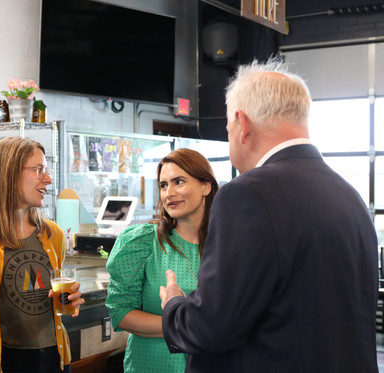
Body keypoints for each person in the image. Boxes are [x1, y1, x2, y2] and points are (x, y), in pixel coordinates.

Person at [160, 59, 379, 372]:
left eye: (227, 128)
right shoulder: (348, 195)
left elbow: (211, 326)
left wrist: (173, 306)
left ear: (242, 123)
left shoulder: (247, 193)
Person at [0, 136, 85, 373]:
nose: (47, 179)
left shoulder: (53, 234)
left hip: (56, 356)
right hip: (6, 360)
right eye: (38, 170)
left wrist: (71, 298)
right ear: (8, 174)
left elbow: (57, 297)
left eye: (46, 170)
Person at [105, 148, 219, 373]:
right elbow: (120, 313)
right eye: (163, 185)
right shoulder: (142, 242)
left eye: (179, 182)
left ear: (206, 186)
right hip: (150, 365)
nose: (169, 193)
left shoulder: (228, 246)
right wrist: (186, 326)